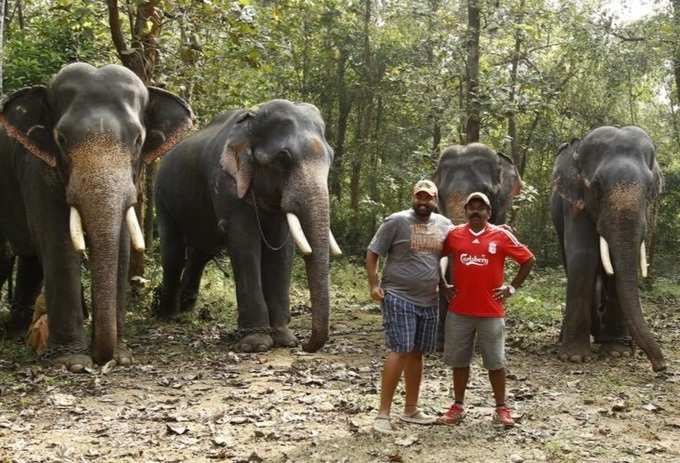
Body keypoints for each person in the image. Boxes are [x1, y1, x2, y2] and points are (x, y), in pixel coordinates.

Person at [439, 192, 534, 427]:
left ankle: (501, 409)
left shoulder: (500, 235)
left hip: (491, 311)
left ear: (489, 213)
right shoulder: (454, 235)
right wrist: (442, 285)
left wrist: (512, 288)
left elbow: (528, 259)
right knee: (459, 361)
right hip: (459, 311)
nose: (476, 211)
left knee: (495, 362)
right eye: (471, 207)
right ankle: (457, 407)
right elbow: (433, 258)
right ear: (465, 211)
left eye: (481, 208)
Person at [366, 179, 452, 434]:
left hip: (429, 298)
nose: (424, 202)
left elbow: (454, 249)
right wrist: (374, 284)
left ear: (436, 200)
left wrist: (443, 282)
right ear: (413, 197)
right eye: (420, 197)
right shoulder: (396, 221)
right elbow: (373, 253)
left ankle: (411, 409)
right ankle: (383, 414)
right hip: (398, 296)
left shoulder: (445, 225)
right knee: (400, 349)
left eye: (429, 198)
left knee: (417, 353)